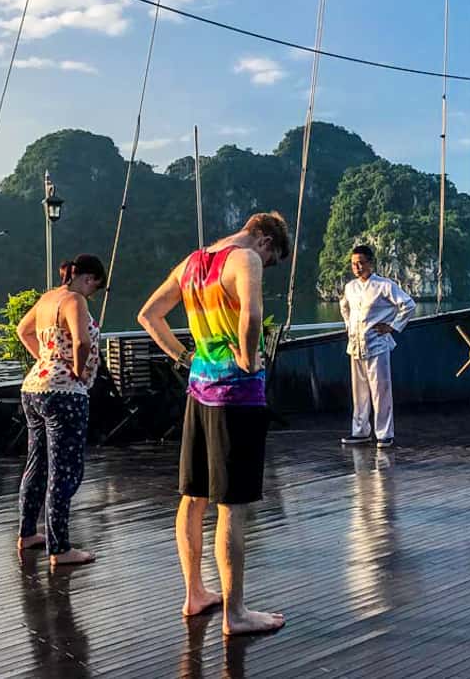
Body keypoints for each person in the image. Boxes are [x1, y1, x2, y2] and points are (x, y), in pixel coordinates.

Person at [137, 211, 290, 636]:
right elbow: (252, 315)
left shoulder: (192, 263)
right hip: (237, 398)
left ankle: (194, 593)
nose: (268, 264)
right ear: (265, 240)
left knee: (193, 497)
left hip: (198, 390)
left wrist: (183, 357)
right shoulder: (246, 258)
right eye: (273, 257)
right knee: (232, 505)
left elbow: (149, 315)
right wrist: (247, 357)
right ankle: (236, 614)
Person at [15, 253, 106, 568]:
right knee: (64, 471)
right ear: (89, 278)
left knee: (37, 464)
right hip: (65, 392)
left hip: (34, 388)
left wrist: (45, 359)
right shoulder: (75, 300)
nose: (92, 293)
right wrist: (78, 371)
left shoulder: (47, 298)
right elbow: (81, 342)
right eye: (95, 286)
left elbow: (22, 331)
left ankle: (27, 533)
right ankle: (60, 547)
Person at [339, 244, 416, 449]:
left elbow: (408, 305)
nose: (357, 267)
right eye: (354, 264)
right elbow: (344, 307)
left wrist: (392, 326)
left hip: (377, 344)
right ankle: (360, 431)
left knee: (380, 390)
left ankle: (384, 433)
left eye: (361, 263)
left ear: (371, 263)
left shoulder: (384, 285)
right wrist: (349, 327)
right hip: (355, 344)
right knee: (360, 391)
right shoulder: (350, 287)